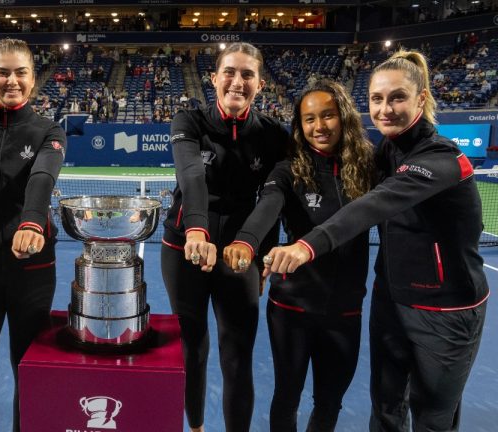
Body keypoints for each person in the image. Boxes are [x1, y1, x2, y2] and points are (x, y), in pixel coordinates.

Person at [263, 50, 489, 432]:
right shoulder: (385, 152)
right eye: (377, 99)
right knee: (385, 410)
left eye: (397, 97)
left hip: (444, 312)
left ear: (421, 98)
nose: (386, 108)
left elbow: (371, 206)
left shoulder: (441, 159)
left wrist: (305, 246)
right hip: (390, 302)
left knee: (432, 418)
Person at [223, 79, 375, 431]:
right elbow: (268, 206)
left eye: (327, 116)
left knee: (329, 403)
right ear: (299, 126)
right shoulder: (289, 170)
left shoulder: (368, 168)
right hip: (291, 311)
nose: (318, 127)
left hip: (346, 312)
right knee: (286, 398)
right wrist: (246, 241)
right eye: (309, 119)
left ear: (344, 117)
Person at [161, 42, 289, 432]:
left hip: (240, 253)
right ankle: (196, 428)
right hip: (185, 247)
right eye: (229, 72)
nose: (237, 81)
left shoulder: (274, 135)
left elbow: (274, 197)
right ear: (214, 79)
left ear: (260, 84)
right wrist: (196, 230)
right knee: (192, 350)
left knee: (236, 357)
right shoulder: (189, 120)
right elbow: (191, 176)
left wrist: (257, 251)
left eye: (247, 74)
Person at [0, 38, 66, 431]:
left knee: (31, 375)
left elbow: (42, 176)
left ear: (33, 78)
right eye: (3, 72)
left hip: (32, 271)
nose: (12, 80)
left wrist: (32, 221)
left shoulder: (49, 131)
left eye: (20, 72)